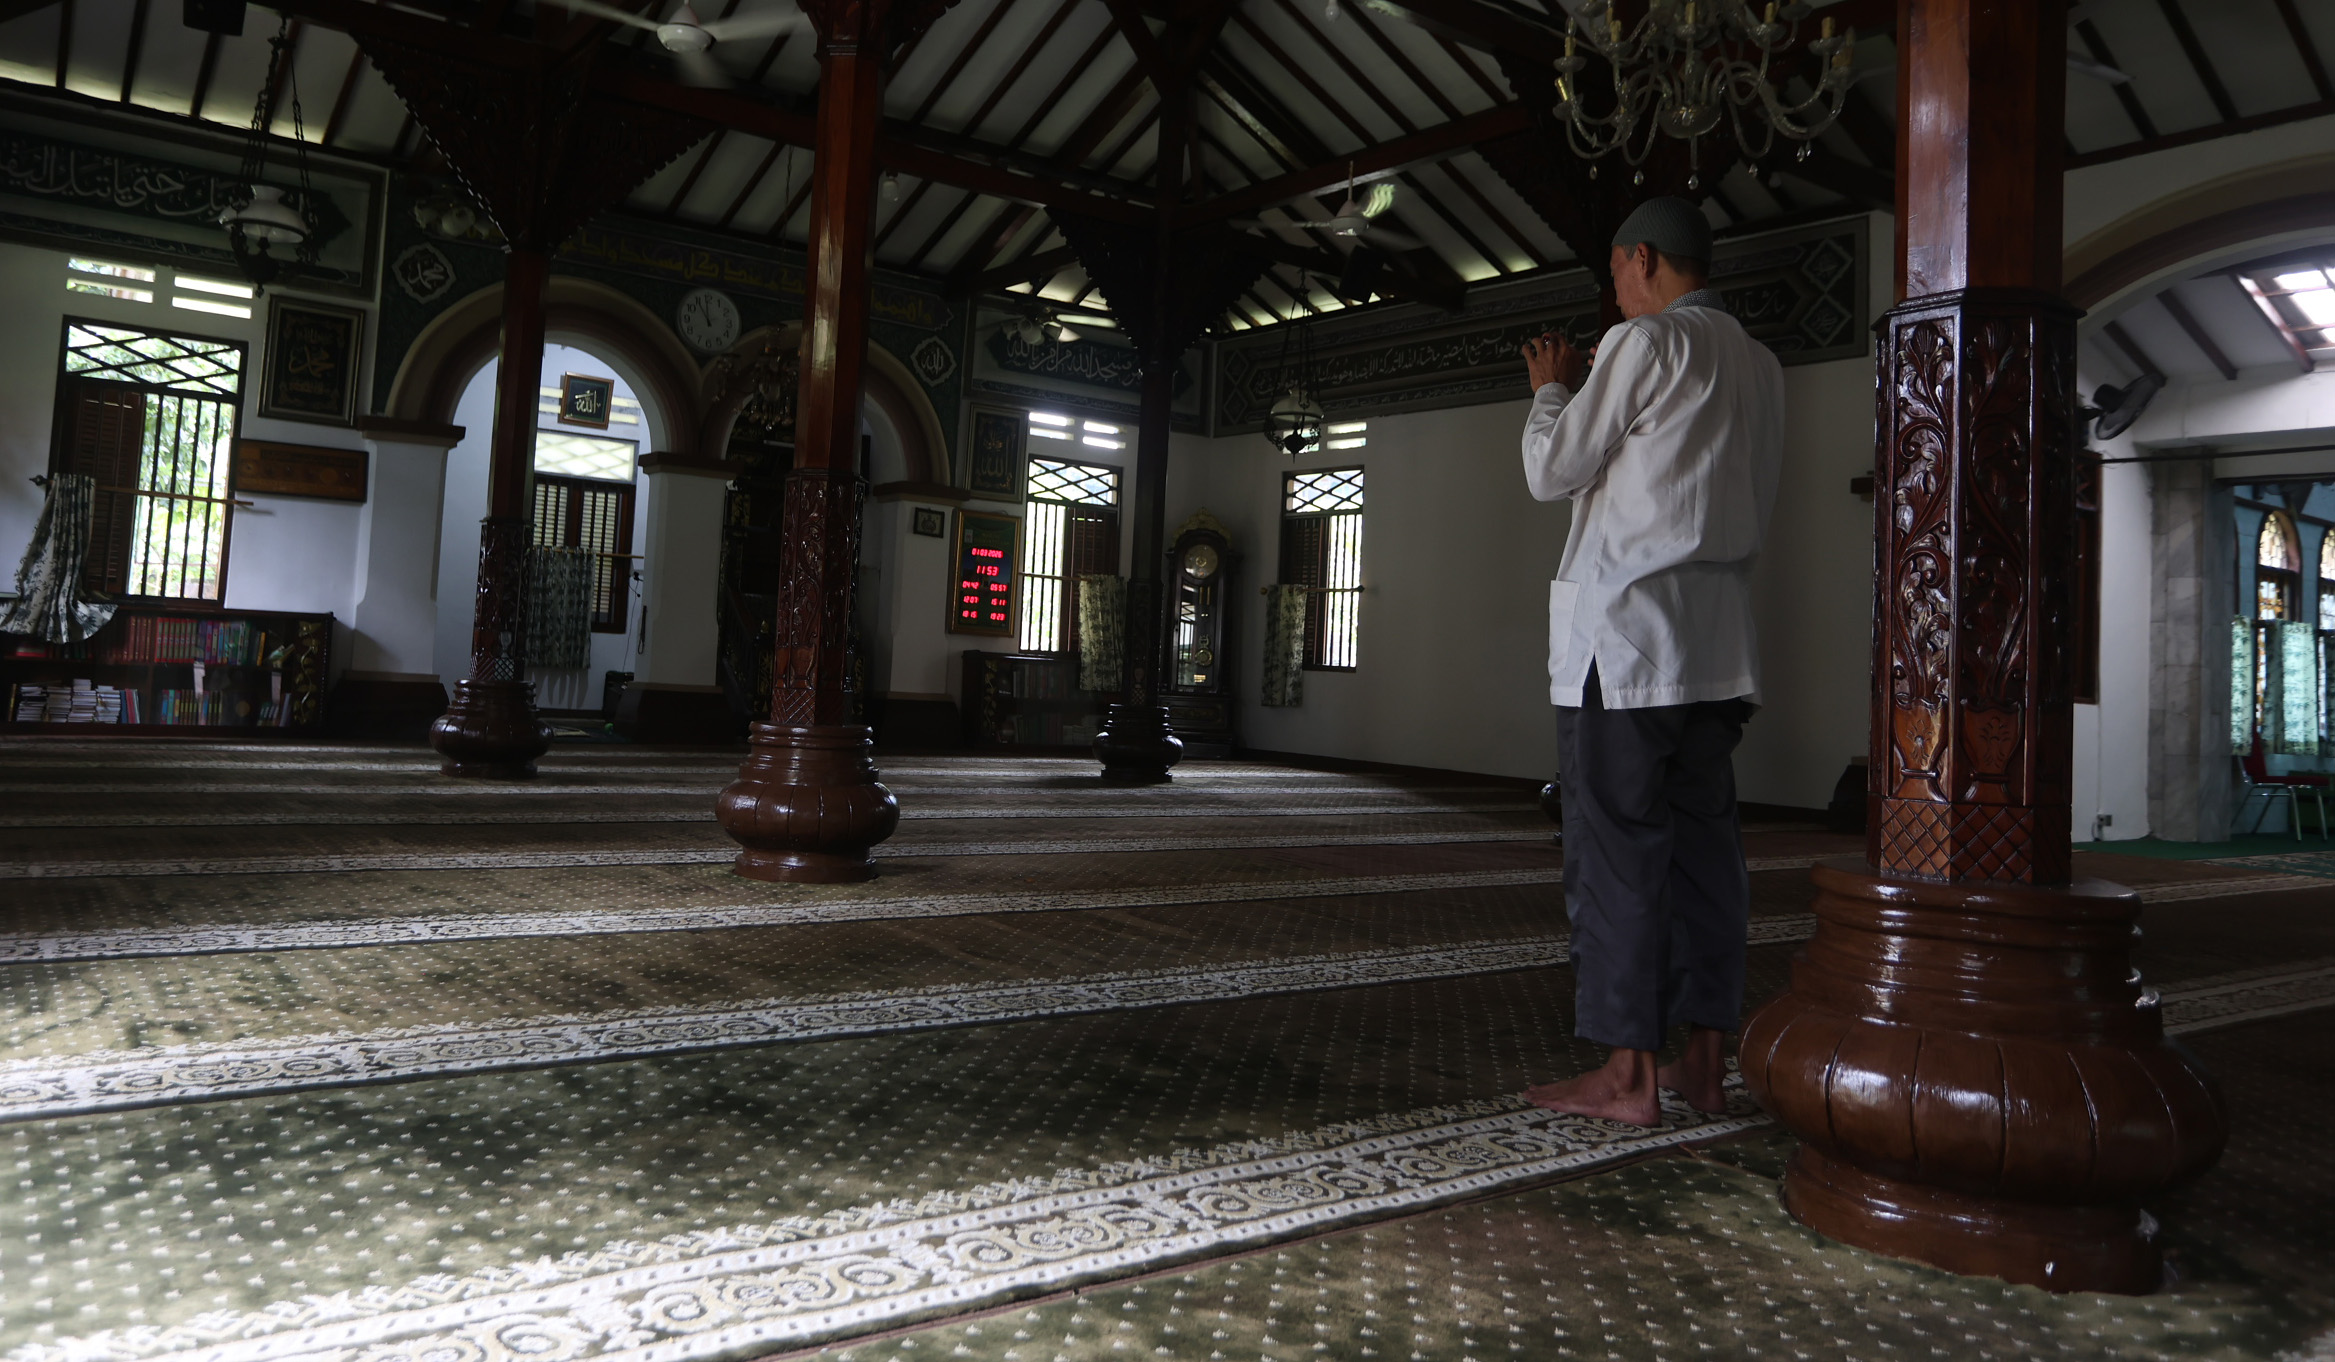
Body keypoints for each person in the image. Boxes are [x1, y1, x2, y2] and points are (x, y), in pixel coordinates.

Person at [1515, 197, 1785, 1128]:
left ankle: (1629, 1076)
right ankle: (1703, 1067)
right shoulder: (1759, 364)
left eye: (1616, 275)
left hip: (1623, 648)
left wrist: (1552, 390)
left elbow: (1553, 471)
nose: (1614, 293)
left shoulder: (1644, 344)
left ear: (1640, 260)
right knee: (1708, 857)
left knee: (1618, 855)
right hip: (1714, 651)